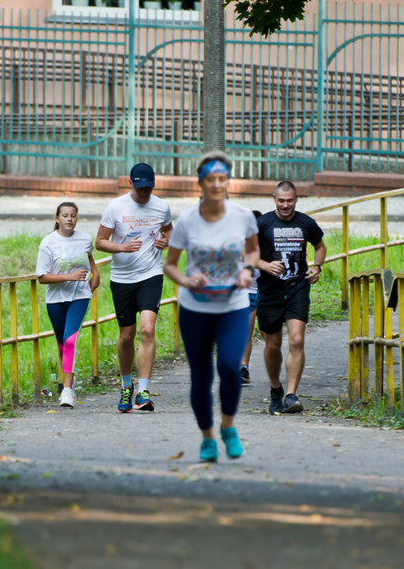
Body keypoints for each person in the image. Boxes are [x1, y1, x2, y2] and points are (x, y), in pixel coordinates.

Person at [163, 152, 259, 461]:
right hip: (196, 309)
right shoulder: (187, 220)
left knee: (230, 367)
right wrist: (187, 281)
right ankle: (207, 438)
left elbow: (254, 251)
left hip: (233, 304)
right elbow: (171, 265)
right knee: (201, 377)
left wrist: (247, 270)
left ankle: (228, 427)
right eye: (210, 180)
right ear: (200, 183)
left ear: (228, 182)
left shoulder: (243, 215)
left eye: (222, 179)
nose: (217, 185)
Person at [95, 162, 173, 412]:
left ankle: (144, 390)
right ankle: (126, 386)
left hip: (151, 274)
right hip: (122, 278)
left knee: (147, 329)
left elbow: (169, 230)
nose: (144, 193)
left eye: (149, 188)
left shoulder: (161, 206)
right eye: (140, 188)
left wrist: (165, 241)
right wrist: (121, 247)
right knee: (127, 335)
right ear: (130, 183)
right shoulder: (116, 207)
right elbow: (100, 242)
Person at [256, 181, 326, 415]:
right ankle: (276, 388)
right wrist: (265, 265)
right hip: (269, 291)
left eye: (290, 200)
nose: (286, 205)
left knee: (296, 340)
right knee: (272, 345)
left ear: (296, 199)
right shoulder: (262, 223)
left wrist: (317, 267)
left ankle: (291, 395)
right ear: (273, 198)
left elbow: (320, 246)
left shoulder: (306, 223)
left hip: (297, 288)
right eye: (281, 200)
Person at [36, 202, 101, 408]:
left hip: (79, 296)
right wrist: (69, 276)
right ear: (57, 218)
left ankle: (67, 391)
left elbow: (88, 258)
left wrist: (96, 272)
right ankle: (66, 382)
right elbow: (42, 277)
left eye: (73, 215)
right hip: (55, 299)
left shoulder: (84, 239)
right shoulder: (48, 243)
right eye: (65, 216)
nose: (69, 219)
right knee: (62, 344)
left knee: (70, 341)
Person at [240, 210, 263, 384]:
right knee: (246, 330)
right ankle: (242, 366)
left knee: (268, 334)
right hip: (245, 292)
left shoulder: (267, 243)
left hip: (265, 292)